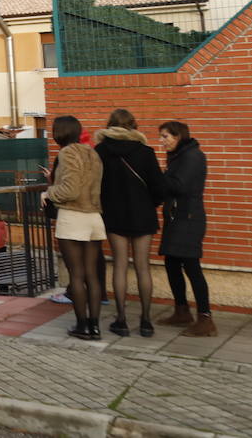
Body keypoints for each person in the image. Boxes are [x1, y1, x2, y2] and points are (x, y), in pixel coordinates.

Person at [96, 109, 166, 338]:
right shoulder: (145, 152)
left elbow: (97, 185)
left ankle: (121, 320)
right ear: (133, 125)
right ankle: (146, 321)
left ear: (110, 124)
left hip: (115, 215)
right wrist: (150, 203)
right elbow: (158, 187)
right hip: (143, 214)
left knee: (120, 265)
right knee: (143, 266)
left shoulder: (101, 151)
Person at [45, 115, 105, 339]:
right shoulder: (92, 152)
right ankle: (95, 326)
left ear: (59, 132)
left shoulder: (67, 153)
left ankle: (82, 325)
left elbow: (69, 190)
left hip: (73, 216)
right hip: (94, 217)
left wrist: (48, 192)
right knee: (92, 276)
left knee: (76, 276)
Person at [156, 121, 216, 337]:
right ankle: (181, 311)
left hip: (189, 219)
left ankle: (205, 319)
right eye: (161, 137)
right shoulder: (179, 156)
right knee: (171, 264)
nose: (162, 141)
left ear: (178, 136)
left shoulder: (192, 156)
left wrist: (157, 176)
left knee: (192, 267)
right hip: (177, 218)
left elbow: (180, 186)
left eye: (165, 137)